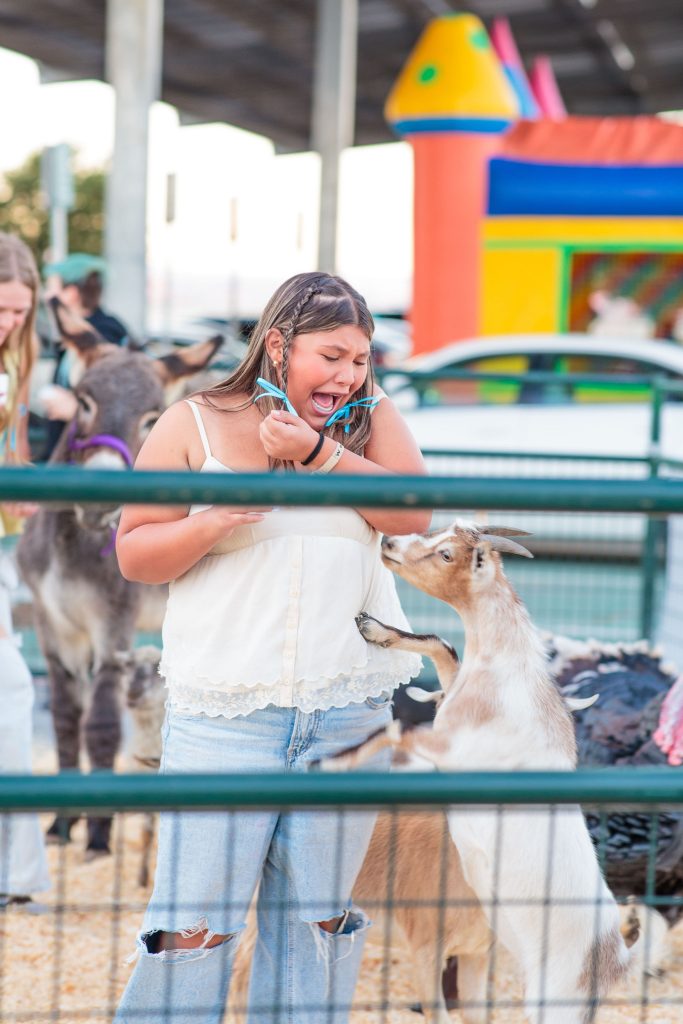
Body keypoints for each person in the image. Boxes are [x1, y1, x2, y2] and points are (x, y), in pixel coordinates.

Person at [114, 271, 431, 1023]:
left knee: (318, 927)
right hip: (226, 716)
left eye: (360, 358)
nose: (349, 374)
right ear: (278, 343)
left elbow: (414, 513)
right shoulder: (190, 422)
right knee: (192, 929)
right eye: (332, 356)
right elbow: (134, 553)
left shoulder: (363, 421)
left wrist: (320, 452)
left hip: (347, 718)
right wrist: (210, 520)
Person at [0, 231, 50, 907]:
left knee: (12, 699)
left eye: (18, 313)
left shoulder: (13, 367)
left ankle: (18, 876)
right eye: (1, 308)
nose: (9, 323)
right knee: (11, 697)